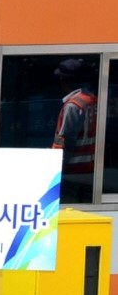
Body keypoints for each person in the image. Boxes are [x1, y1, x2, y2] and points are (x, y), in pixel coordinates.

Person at [52, 58, 97, 203]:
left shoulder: (73, 105)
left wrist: (55, 167)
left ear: (63, 80)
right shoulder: (92, 99)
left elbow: (64, 140)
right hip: (90, 167)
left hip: (73, 170)